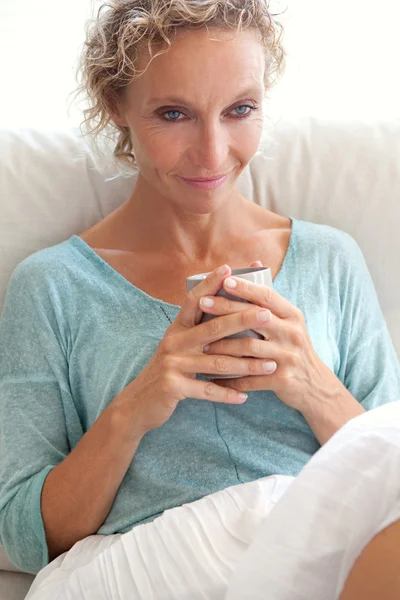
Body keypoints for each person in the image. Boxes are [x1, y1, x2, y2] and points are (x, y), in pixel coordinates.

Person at [0, 0, 399, 595]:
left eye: (240, 110)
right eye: (173, 113)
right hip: (147, 565)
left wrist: (314, 384)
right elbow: (24, 535)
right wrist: (137, 404)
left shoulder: (331, 260)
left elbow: (390, 483)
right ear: (118, 107)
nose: (213, 154)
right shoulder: (53, 286)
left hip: (312, 555)